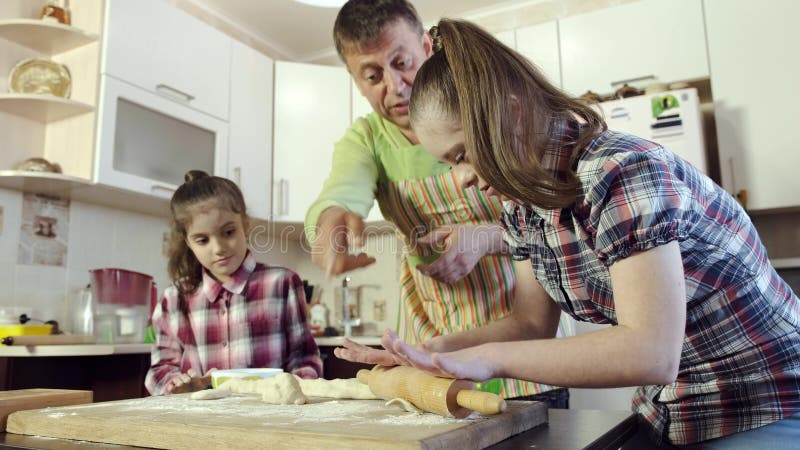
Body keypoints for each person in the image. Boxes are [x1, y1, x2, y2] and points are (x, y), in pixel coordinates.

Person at [353, 18, 800, 448]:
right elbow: (530, 324)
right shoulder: (522, 205)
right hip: (670, 412)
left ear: (510, 114)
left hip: (762, 400)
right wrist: (431, 352)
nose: (464, 178)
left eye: (464, 154)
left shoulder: (621, 172)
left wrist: (488, 357)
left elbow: (650, 351)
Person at [306, 0, 571, 404]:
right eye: (372, 75)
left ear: (427, 47)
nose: (394, 86)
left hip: (527, 338)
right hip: (435, 347)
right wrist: (331, 220)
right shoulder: (367, 140)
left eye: (402, 62)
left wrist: (489, 237)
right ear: (354, 80)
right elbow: (341, 191)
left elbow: (552, 217)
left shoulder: (482, 110)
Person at [146, 170, 322, 395]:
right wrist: (179, 387)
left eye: (228, 232)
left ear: (246, 225)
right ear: (188, 242)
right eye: (203, 240)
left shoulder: (282, 283)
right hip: (200, 421)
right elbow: (160, 370)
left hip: (271, 418)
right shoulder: (174, 298)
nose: (218, 248)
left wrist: (295, 388)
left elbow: (305, 357)